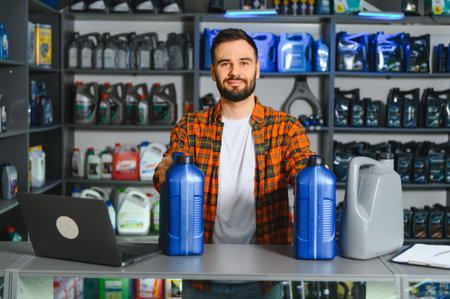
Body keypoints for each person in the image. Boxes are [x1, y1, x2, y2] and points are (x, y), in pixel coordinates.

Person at [153, 28, 315, 299]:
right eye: (225, 63)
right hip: (200, 276)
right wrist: (167, 173)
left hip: (264, 278)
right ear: (213, 72)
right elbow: (162, 176)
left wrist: (309, 184)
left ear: (257, 70)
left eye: (244, 62)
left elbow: (305, 176)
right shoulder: (191, 127)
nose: (235, 72)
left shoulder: (286, 128)